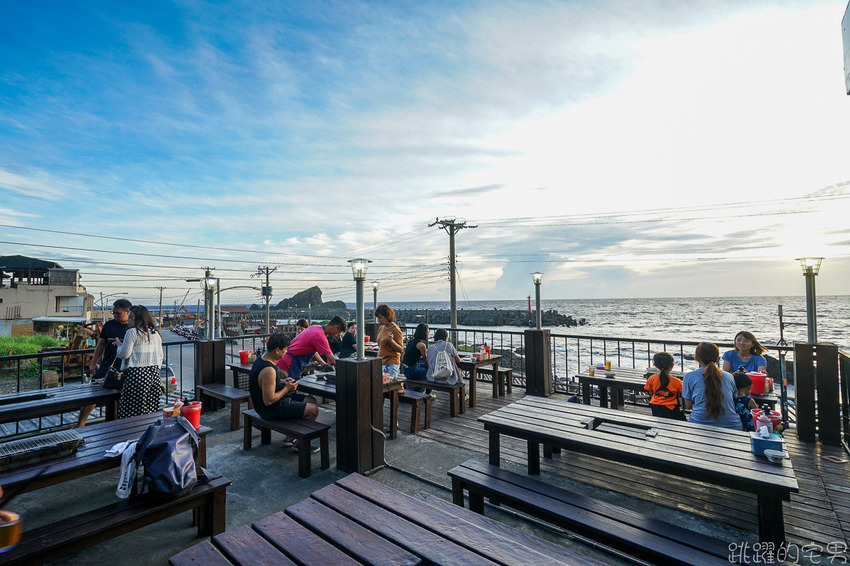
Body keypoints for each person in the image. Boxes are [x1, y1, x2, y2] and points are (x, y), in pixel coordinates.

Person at [249, 333, 320, 452]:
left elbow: (266, 383)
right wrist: (287, 389)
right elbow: (269, 400)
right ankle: (300, 443)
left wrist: (282, 381)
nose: (286, 352)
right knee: (313, 409)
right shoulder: (269, 370)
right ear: (277, 350)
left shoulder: (262, 358)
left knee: (311, 400)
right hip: (269, 410)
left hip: (270, 403)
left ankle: (289, 438)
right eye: (285, 350)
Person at [79, 298, 131, 426]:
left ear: (127, 312)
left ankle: (118, 424)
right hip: (107, 365)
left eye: (117, 313)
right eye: (113, 313)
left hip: (126, 368)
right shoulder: (109, 325)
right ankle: (81, 423)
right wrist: (93, 363)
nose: (114, 316)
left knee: (123, 397)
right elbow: (100, 345)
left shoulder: (132, 327)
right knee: (92, 395)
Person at [114, 305, 164, 419]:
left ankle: (132, 434)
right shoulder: (155, 333)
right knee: (150, 409)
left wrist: (119, 345)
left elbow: (123, 354)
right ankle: (147, 433)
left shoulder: (132, 332)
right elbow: (160, 356)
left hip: (137, 374)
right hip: (155, 374)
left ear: (139, 319)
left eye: (131, 318)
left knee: (131, 410)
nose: (128, 320)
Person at [682, 342, 740, 429]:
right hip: (732, 426)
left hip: (699, 424)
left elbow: (688, 405)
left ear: (696, 358)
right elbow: (734, 398)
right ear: (718, 359)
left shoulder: (689, 376)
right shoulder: (729, 376)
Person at [277, 316, 346, 379]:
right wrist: (344, 374)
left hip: (284, 361)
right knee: (284, 389)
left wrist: (323, 364)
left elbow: (312, 350)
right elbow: (333, 360)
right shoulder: (320, 336)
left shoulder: (314, 327)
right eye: (338, 332)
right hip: (287, 365)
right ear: (335, 327)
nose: (336, 335)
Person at [643, 352, 686, 420]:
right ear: (672, 366)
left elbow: (650, 393)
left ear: (655, 365)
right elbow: (684, 394)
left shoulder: (652, 378)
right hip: (671, 410)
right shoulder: (677, 382)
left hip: (655, 408)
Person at [375, 304, 404, 378]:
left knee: (388, 386)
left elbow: (401, 349)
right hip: (381, 362)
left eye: (380, 318)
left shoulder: (396, 330)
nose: (378, 320)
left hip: (391, 363)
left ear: (387, 317)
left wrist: (392, 341)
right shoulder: (381, 328)